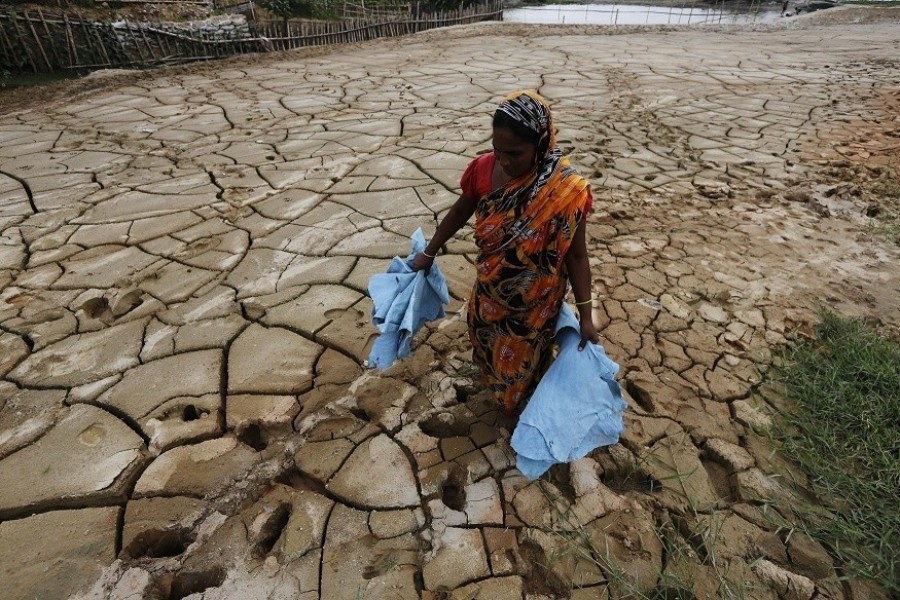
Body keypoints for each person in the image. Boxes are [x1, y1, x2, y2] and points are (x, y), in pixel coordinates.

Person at [411, 90, 600, 419]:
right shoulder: (484, 169)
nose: (505, 161)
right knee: (485, 343)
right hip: (491, 293)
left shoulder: (564, 192)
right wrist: (429, 252)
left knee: (523, 367)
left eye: (515, 153)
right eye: (498, 150)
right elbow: (460, 212)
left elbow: (577, 257)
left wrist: (586, 316)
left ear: (541, 145)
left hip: (536, 306)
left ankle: (515, 412)